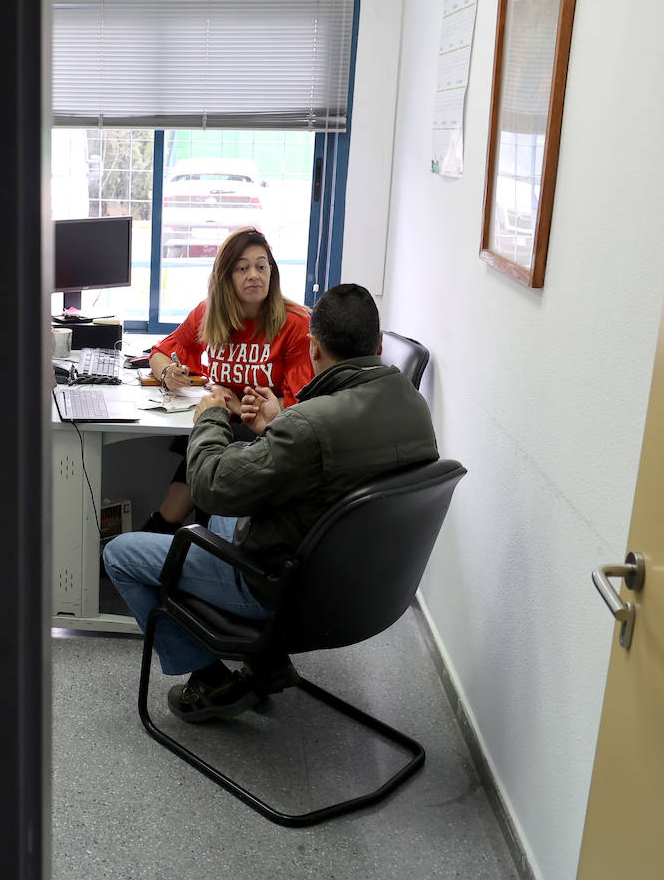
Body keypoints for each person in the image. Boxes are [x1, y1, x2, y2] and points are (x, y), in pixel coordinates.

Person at [102, 283, 438, 722]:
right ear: (377, 344)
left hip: (280, 589)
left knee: (121, 554)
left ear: (313, 347)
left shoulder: (312, 423)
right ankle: (265, 664)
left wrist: (210, 420)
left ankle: (211, 678)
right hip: (366, 588)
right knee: (233, 501)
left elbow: (208, 485)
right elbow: (333, 465)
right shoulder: (413, 406)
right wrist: (277, 428)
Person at [142, 226, 313, 534]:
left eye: (262, 266)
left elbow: (303, 408)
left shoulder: (295, 324)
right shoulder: (209, 313)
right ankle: (168, 531)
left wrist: (241, 404)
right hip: (218, 424)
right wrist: (168, 373)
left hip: (267, 437)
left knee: (208, 448)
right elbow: (159, 352)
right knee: (203, 441)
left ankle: (163, 529)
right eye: (242, 268)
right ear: (226, 277)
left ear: (272, 273)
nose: (254, 275)